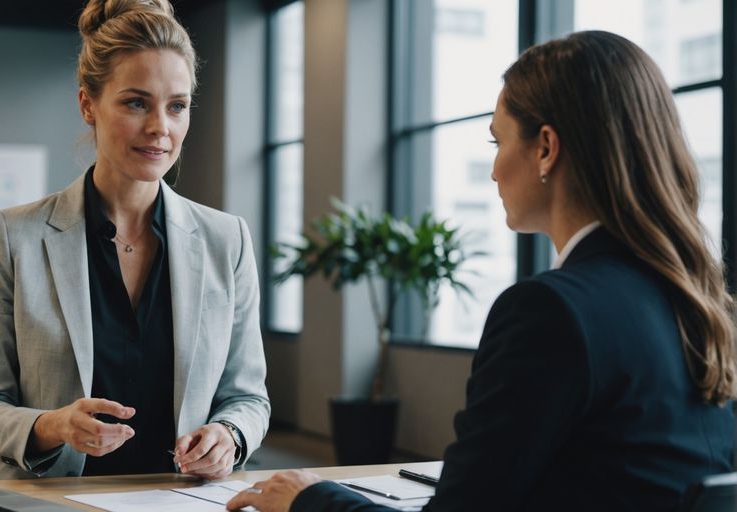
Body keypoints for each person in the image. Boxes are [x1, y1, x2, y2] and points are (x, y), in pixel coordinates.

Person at [228, 30, 735, 512]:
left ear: (545, 148)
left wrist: (308, 498)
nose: (493, 169)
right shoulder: (697, 303)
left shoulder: (552, 311)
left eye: (497, 143)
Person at [0, 0, 270, 480]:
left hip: (180, 501)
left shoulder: (226, 240)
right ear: (88, 104)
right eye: (135, 102)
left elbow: (248, 396)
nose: (159, 128)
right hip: (47, 503)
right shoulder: (14, 235)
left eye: (177, 106)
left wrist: (230, 434)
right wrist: (50, 425)